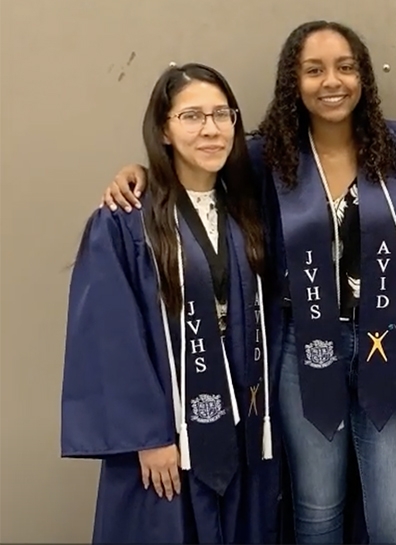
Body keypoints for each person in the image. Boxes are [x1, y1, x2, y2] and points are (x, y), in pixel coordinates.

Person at [96, 21, 396, 545]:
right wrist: (138, 170)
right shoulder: (266, 157)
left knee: (395, 518)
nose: (331, 81)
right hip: (304, 348)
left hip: (384, 345)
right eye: (313, 70)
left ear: (363, 76)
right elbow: (196, 171)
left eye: (344, 67)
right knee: (318, 510)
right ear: (294, 80)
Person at [61, 62, 282, 543]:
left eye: (222, 114)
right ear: (163, 128)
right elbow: (111, 336)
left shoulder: (246, 210)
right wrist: (148, 436)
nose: (210, 128)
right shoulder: (125, 220)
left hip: (244, 432)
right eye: (192, 116)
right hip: (169, 443)